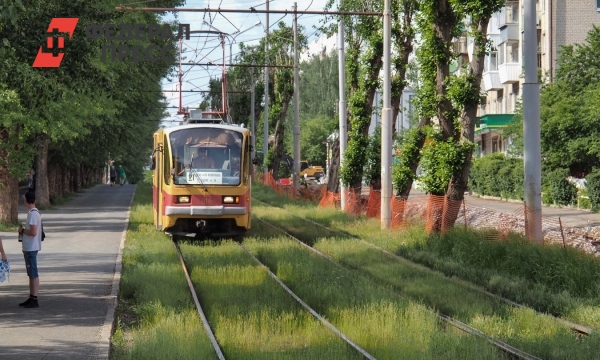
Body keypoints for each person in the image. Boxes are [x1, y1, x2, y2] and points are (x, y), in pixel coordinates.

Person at [18, 191, 42, 308]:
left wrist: (22, 231)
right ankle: (32, 296)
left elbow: (33, 232)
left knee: (33, 273)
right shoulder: (35, 213)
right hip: (30, 247)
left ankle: (34, 298)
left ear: (26, 201)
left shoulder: (32, 214)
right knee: (31, 273)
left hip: (31, 247)